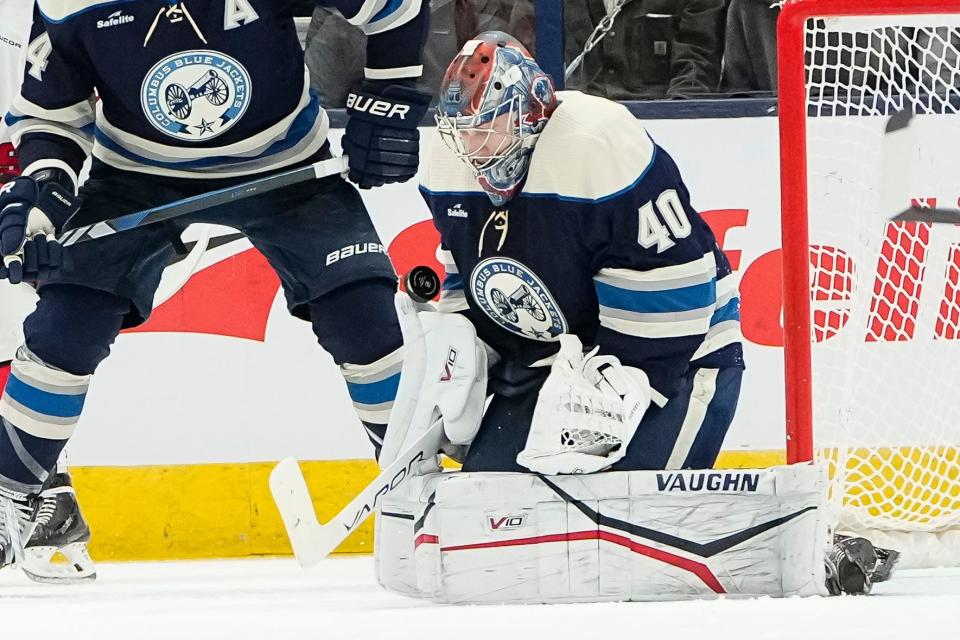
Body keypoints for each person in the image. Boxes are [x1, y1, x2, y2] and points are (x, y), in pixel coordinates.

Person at [378, 31, 895, 599]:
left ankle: (822, 547)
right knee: (496, 510)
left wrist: (616, 386)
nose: (477, 146)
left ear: (532, 106)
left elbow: (678, 292)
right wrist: (467, 360)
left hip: (677, 361)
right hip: (551, 364)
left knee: (621, 518)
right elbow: (466, 270)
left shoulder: (600, 144)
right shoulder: (447, 161)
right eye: (466, 131)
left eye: (491, 126)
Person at [0, 0, 432, 572]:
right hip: (133, 176)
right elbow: (52, 116)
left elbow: (396, 7)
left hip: (287, 165)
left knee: (363, 317)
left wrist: (391, 101)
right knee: (67, 323)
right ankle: (16, 494)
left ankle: (421, 493)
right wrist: (42, 199)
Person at [0, 0, 94, 583]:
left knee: (40, 347)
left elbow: (50, 126)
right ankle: (49, 496)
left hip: (27, 198)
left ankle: (43, 495)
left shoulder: (22, 21)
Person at [565, 0, 728, 100]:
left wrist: (674, 121)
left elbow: (697, 72)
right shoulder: (552, 6)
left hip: (658, 123)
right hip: (578, 121)